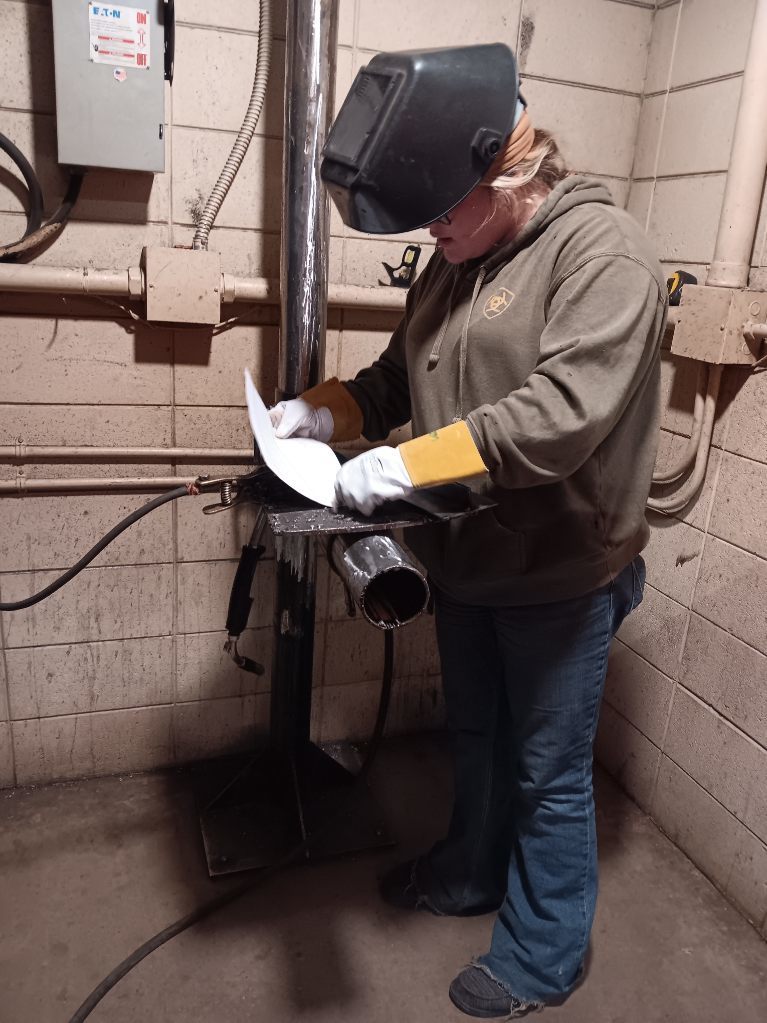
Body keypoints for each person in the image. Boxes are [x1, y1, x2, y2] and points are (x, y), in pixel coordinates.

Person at [270, 44, 665, 1019]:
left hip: (559, 571)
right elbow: (395, 378)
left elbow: (559, 416)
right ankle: (467, 872)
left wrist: (407, 464)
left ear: (505, 174)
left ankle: (542, 954)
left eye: (442, 209)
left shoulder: (600, 252)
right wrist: (322, 412)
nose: (429, 230)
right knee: (478, 737)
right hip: (469, 560)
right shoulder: (455, 262)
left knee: (547, 771)